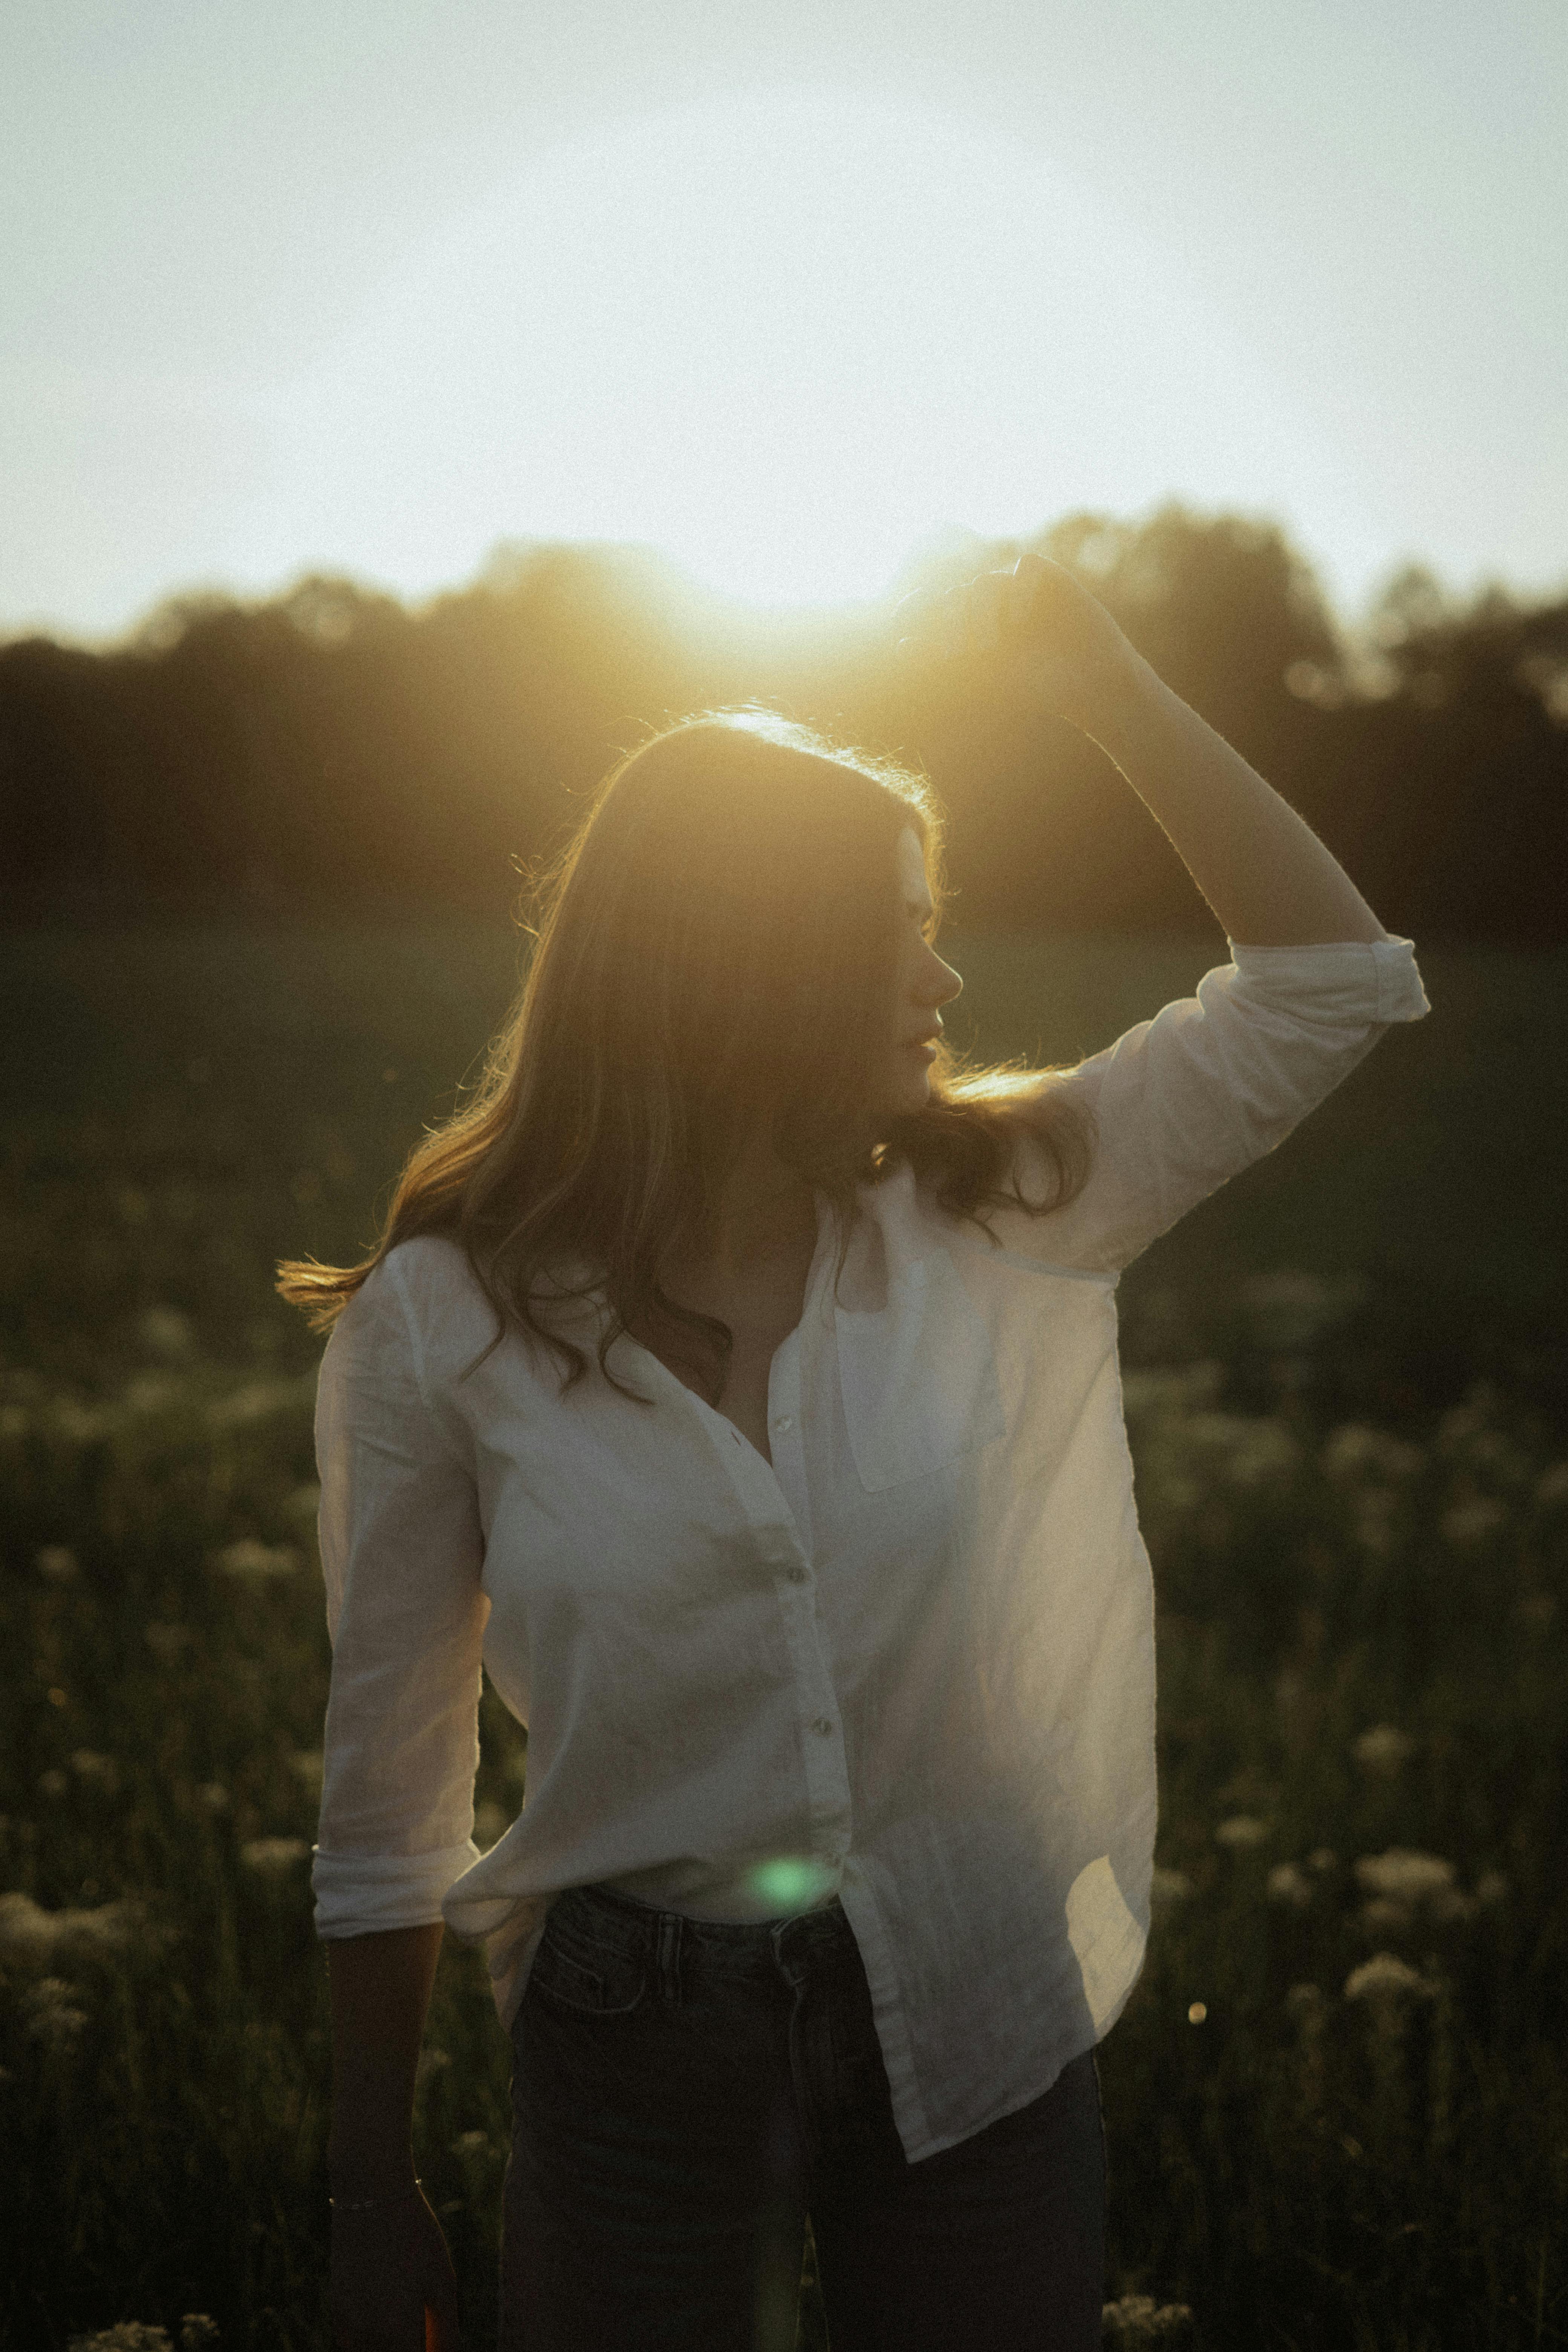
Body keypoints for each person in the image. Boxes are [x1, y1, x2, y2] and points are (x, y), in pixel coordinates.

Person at [279, 553, 1429, 2352]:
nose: (943, 970)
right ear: (745, 953)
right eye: (895, 922)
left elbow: (1331, 982)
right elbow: (387, 1807)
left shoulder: (992, 1214)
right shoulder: (441, 1319)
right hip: (628, 2055)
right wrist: (367, 2195)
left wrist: (1108, 686)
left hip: (974, 2005)